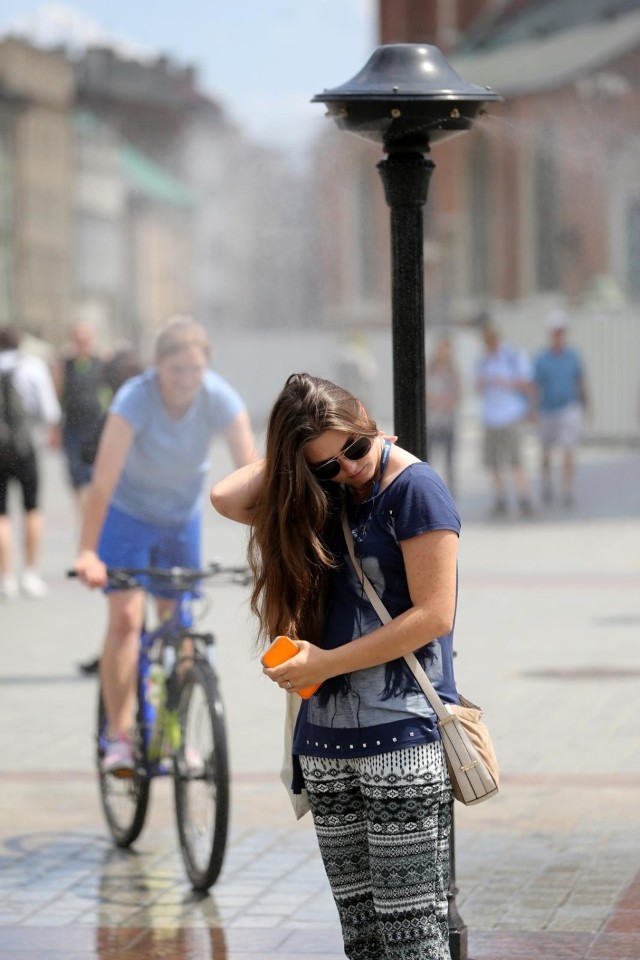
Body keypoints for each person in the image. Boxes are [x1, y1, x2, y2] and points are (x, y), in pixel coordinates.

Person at [211, 372, 461, 960]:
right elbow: (225, 497)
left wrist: (325, 660)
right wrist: (298, 461)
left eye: (353, 447)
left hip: (401, 734)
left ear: (368, 420)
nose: (348, 469)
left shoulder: (415, 489)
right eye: (325, 465)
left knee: (414, 941)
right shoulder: (319, 498)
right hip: (325, 745)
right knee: (363, 940)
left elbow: (434, 616)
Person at [73, 316, 256, 773]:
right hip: (127, 515)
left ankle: (177, 733)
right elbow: (102, 482)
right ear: (157, 367)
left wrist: (272, 550)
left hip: (180, 521)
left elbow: (253, 480)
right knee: (126, 619)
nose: (186, 381)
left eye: (195, 370)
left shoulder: (219, 397)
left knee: (180, 624)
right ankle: (118, 736)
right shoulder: (135, 398)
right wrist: (87, 551)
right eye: (177, 370)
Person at [0, 325, 61, 600]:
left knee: (2, 515)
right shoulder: (32, 367)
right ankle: (30, 573)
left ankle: (6, 578)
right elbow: (49, 411)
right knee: (32, 509)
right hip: (26, 449)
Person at [474, 324, 534, 517]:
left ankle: (523, 497)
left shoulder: (512, 356)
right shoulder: (483, 360)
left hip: (510, 414)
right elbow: (477, 385)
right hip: (491, 416)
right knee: (493, 461)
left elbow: (527, 383)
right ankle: (500, 497)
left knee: (515, 460)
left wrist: (503, 381)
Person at [533, 310, 588, 506]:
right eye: (556, 331)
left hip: (568, 407)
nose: (559, 335)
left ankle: (567, 489)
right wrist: (533, 410)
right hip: (547, 409)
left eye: (561, 331)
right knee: (546, 452)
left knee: (568, 450)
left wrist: (586, 404)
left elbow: (580, 380)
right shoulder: (542, 358)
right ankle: (547, 482)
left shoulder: (572, 355)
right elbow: (535, 386)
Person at [56, 323, 105, 518]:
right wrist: (54, 428)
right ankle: (84, 516)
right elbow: (57, 394)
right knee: (76, 475)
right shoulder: (65, 364)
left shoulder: (100, 362)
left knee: (96, 473)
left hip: (95, 425)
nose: (81, 342)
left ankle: (95, 514)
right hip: (72, 427)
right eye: (78, 338)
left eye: (85, 338)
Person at [426, 336, 461, 497]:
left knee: (449, 459)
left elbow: (458, 394)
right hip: (432, 421)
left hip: (448, 421)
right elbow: (424, 394)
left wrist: (447, 401)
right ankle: (428, 488)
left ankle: (449, 491)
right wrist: (436, 400)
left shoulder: (453, 372)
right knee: (429, 457)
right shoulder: (430, 370)